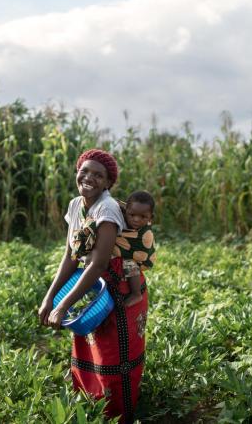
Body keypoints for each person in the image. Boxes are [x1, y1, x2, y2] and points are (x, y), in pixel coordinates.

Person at [38, 149, 148, 423]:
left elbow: (99, 263)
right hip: (91, 284)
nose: (89, 178)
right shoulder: (76, 205)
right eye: (84, 171)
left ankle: (117, 415)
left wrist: (63, 305)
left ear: (108, 183)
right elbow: (70, 256)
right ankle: (91, 408)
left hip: (116, 285)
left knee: (114, 352)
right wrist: (49, 298)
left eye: (98, 175)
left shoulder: (107, 209)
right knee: (89, 343)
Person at [120, 191, 156, 307]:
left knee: (129, 262)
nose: (136, 219)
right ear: (126, 211)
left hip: (142, 259)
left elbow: (142, 252)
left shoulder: (146, 234)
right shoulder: (117, 213)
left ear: (151, 217)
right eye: (132, 215)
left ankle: (136, 294)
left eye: (143, 217)